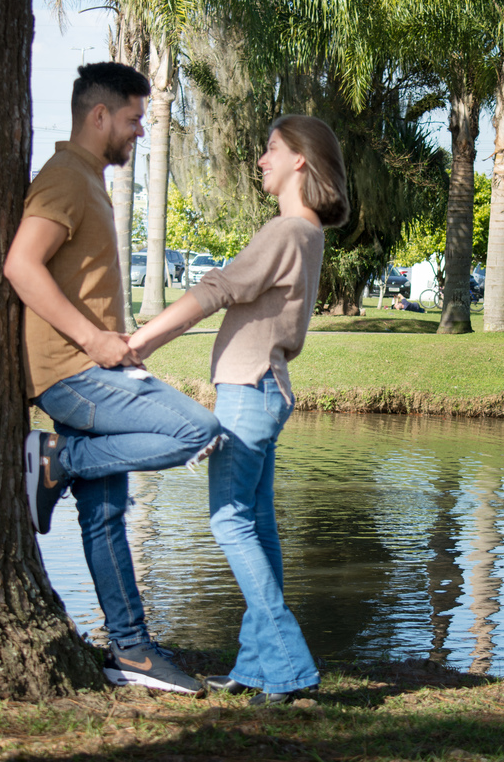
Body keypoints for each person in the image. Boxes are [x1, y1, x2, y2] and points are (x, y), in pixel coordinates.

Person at [3, 62, 219, 695]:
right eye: (133, 118)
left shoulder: (87, 179)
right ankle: (61, 457)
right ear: (99, 116)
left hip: (92, 369)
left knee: (105, 518)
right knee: (195, 429)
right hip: (72, 374)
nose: (141, 130)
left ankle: (130, 650)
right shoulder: (66, 178)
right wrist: (96, 341)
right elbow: (21, 265)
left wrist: (116, 344)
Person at [128, 115, 348, 705]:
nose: (261, 159)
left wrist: (143, 341)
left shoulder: (284, 232)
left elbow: (218, 290)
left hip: (249, 391)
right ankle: (257, 664)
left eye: (271, 149)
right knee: (257, 525)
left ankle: (287, 666)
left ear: (300, 159)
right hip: (265, 389)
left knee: (229, 521)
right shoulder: (306, 233)